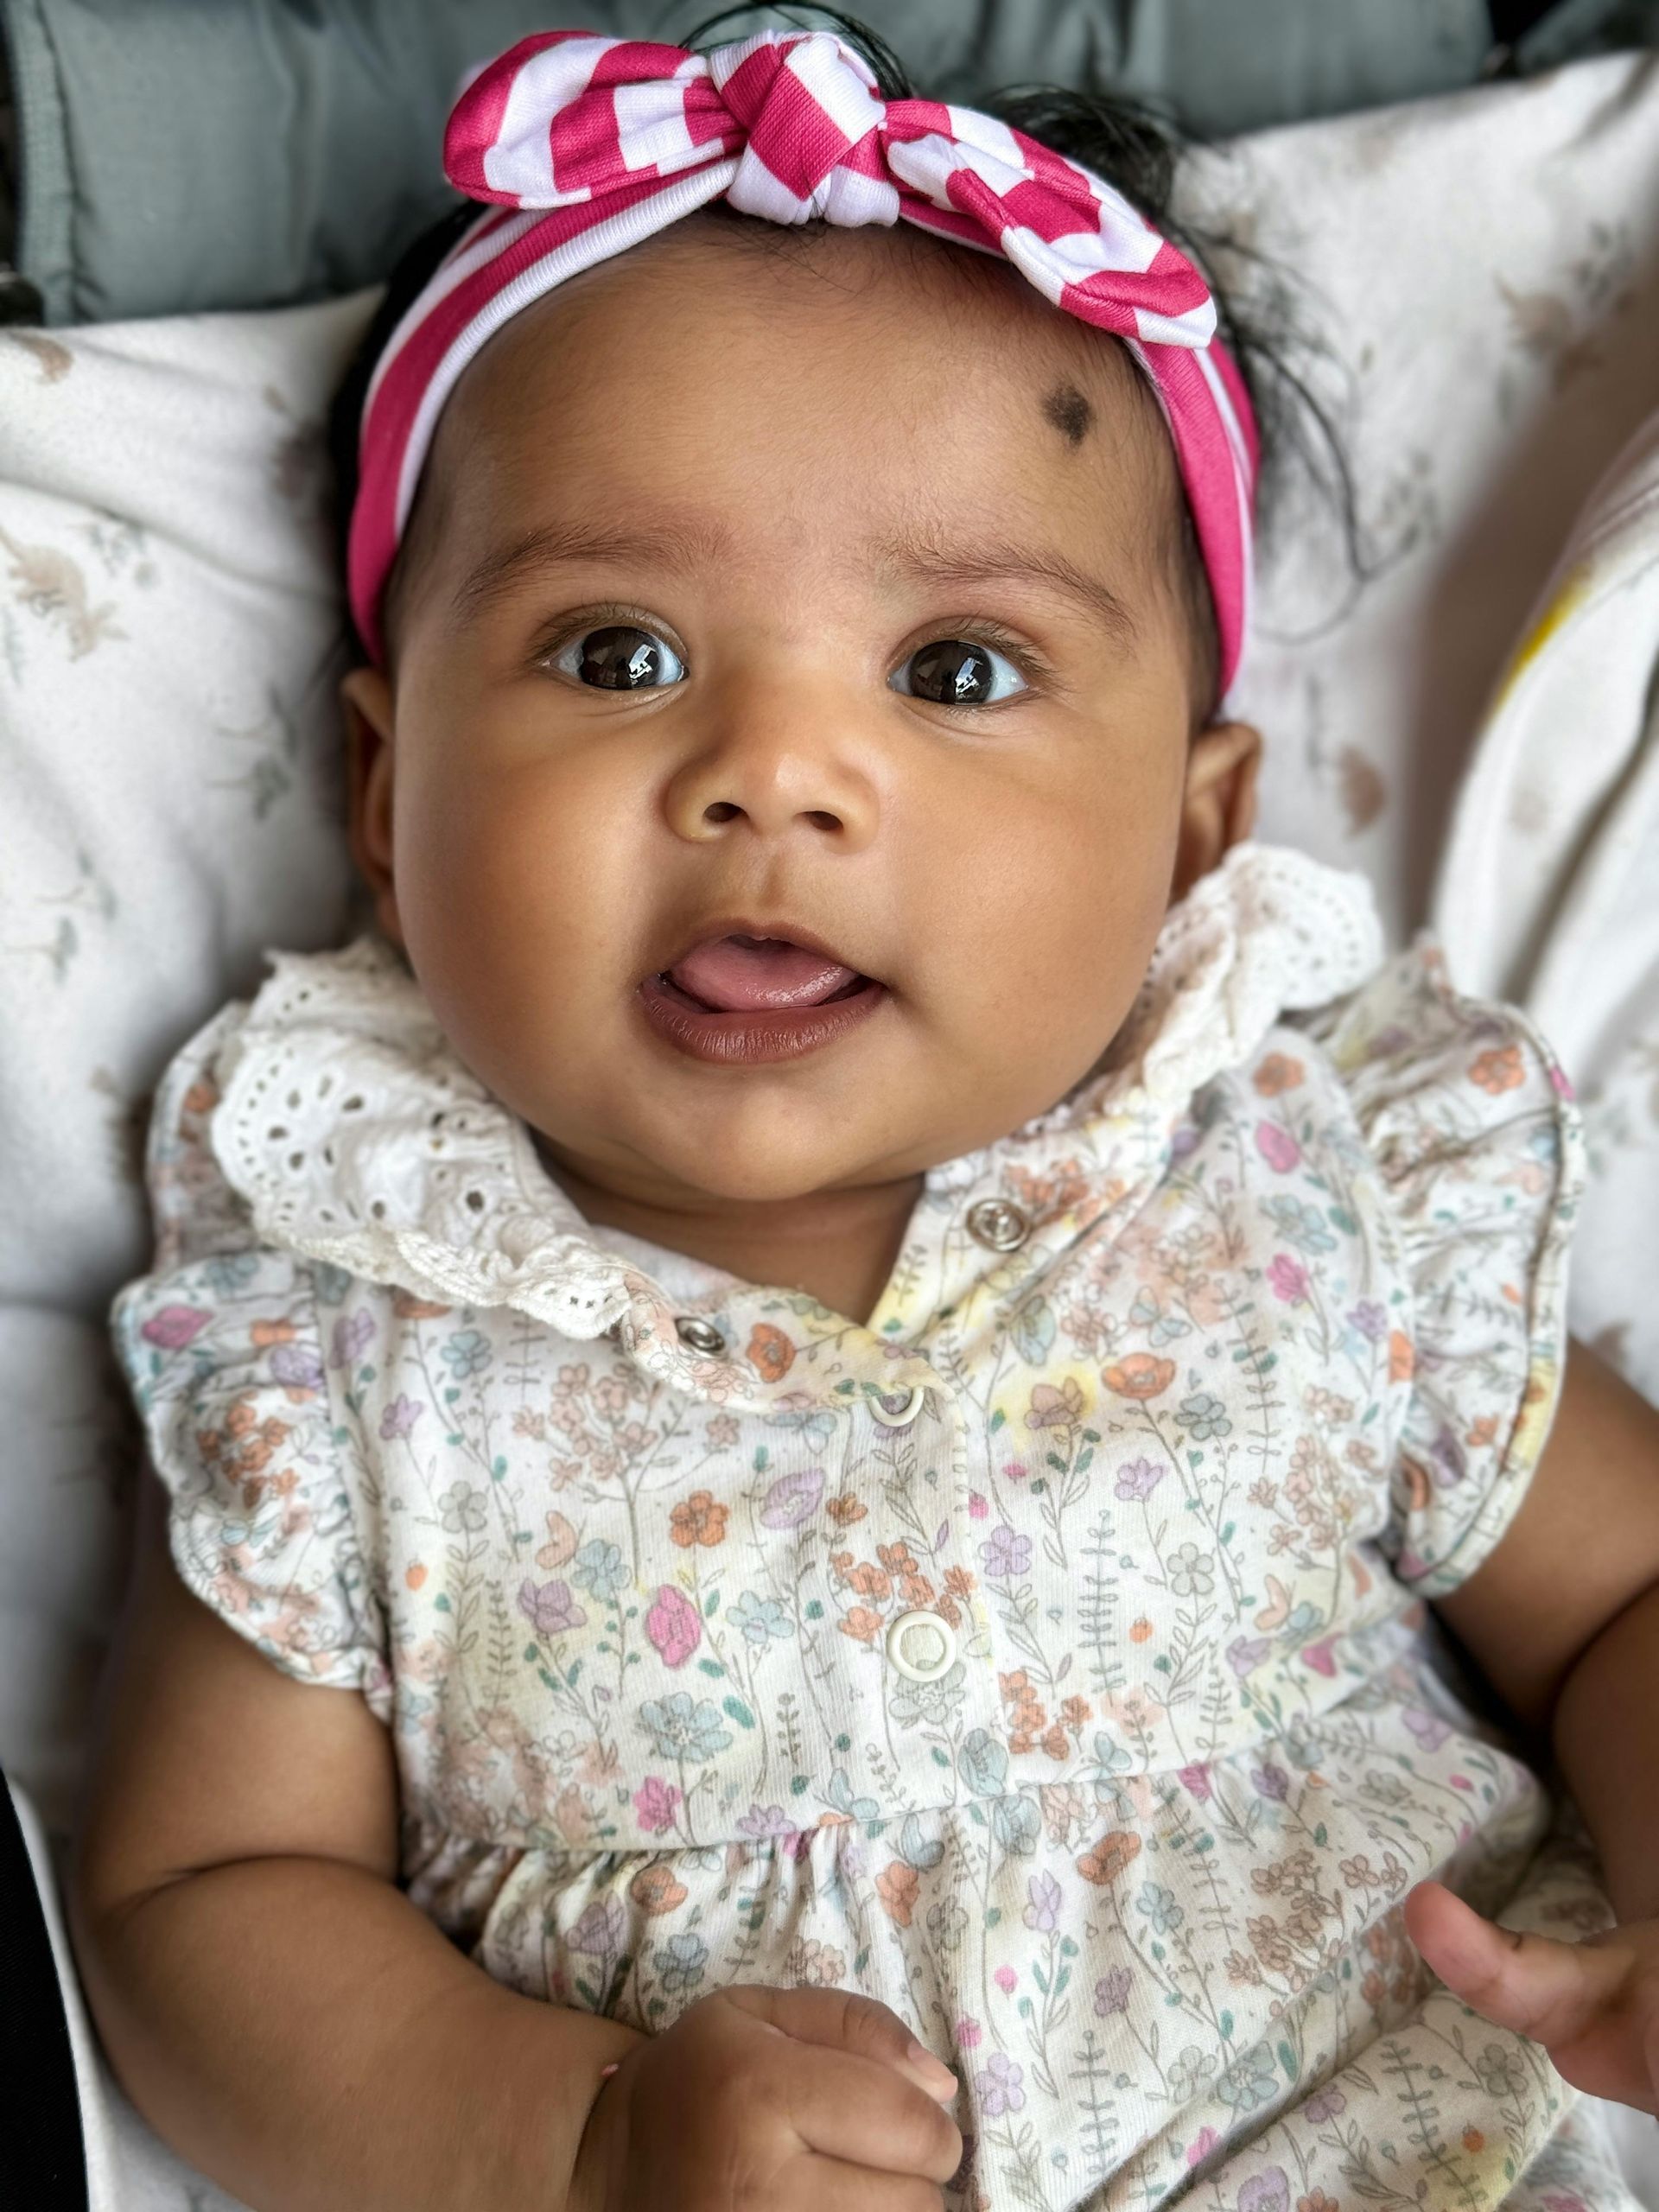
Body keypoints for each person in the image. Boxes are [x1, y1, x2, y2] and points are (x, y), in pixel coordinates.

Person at [67, 16, 1659, 2212]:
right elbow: (205, 1892)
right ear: (378, 795)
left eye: (960, 669)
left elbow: (1627, 1590)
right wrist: (588, 2131)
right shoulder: (346, 1316)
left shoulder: (1312, 1171)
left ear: (1194, 835)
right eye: (618, 650)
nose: (773, 771)